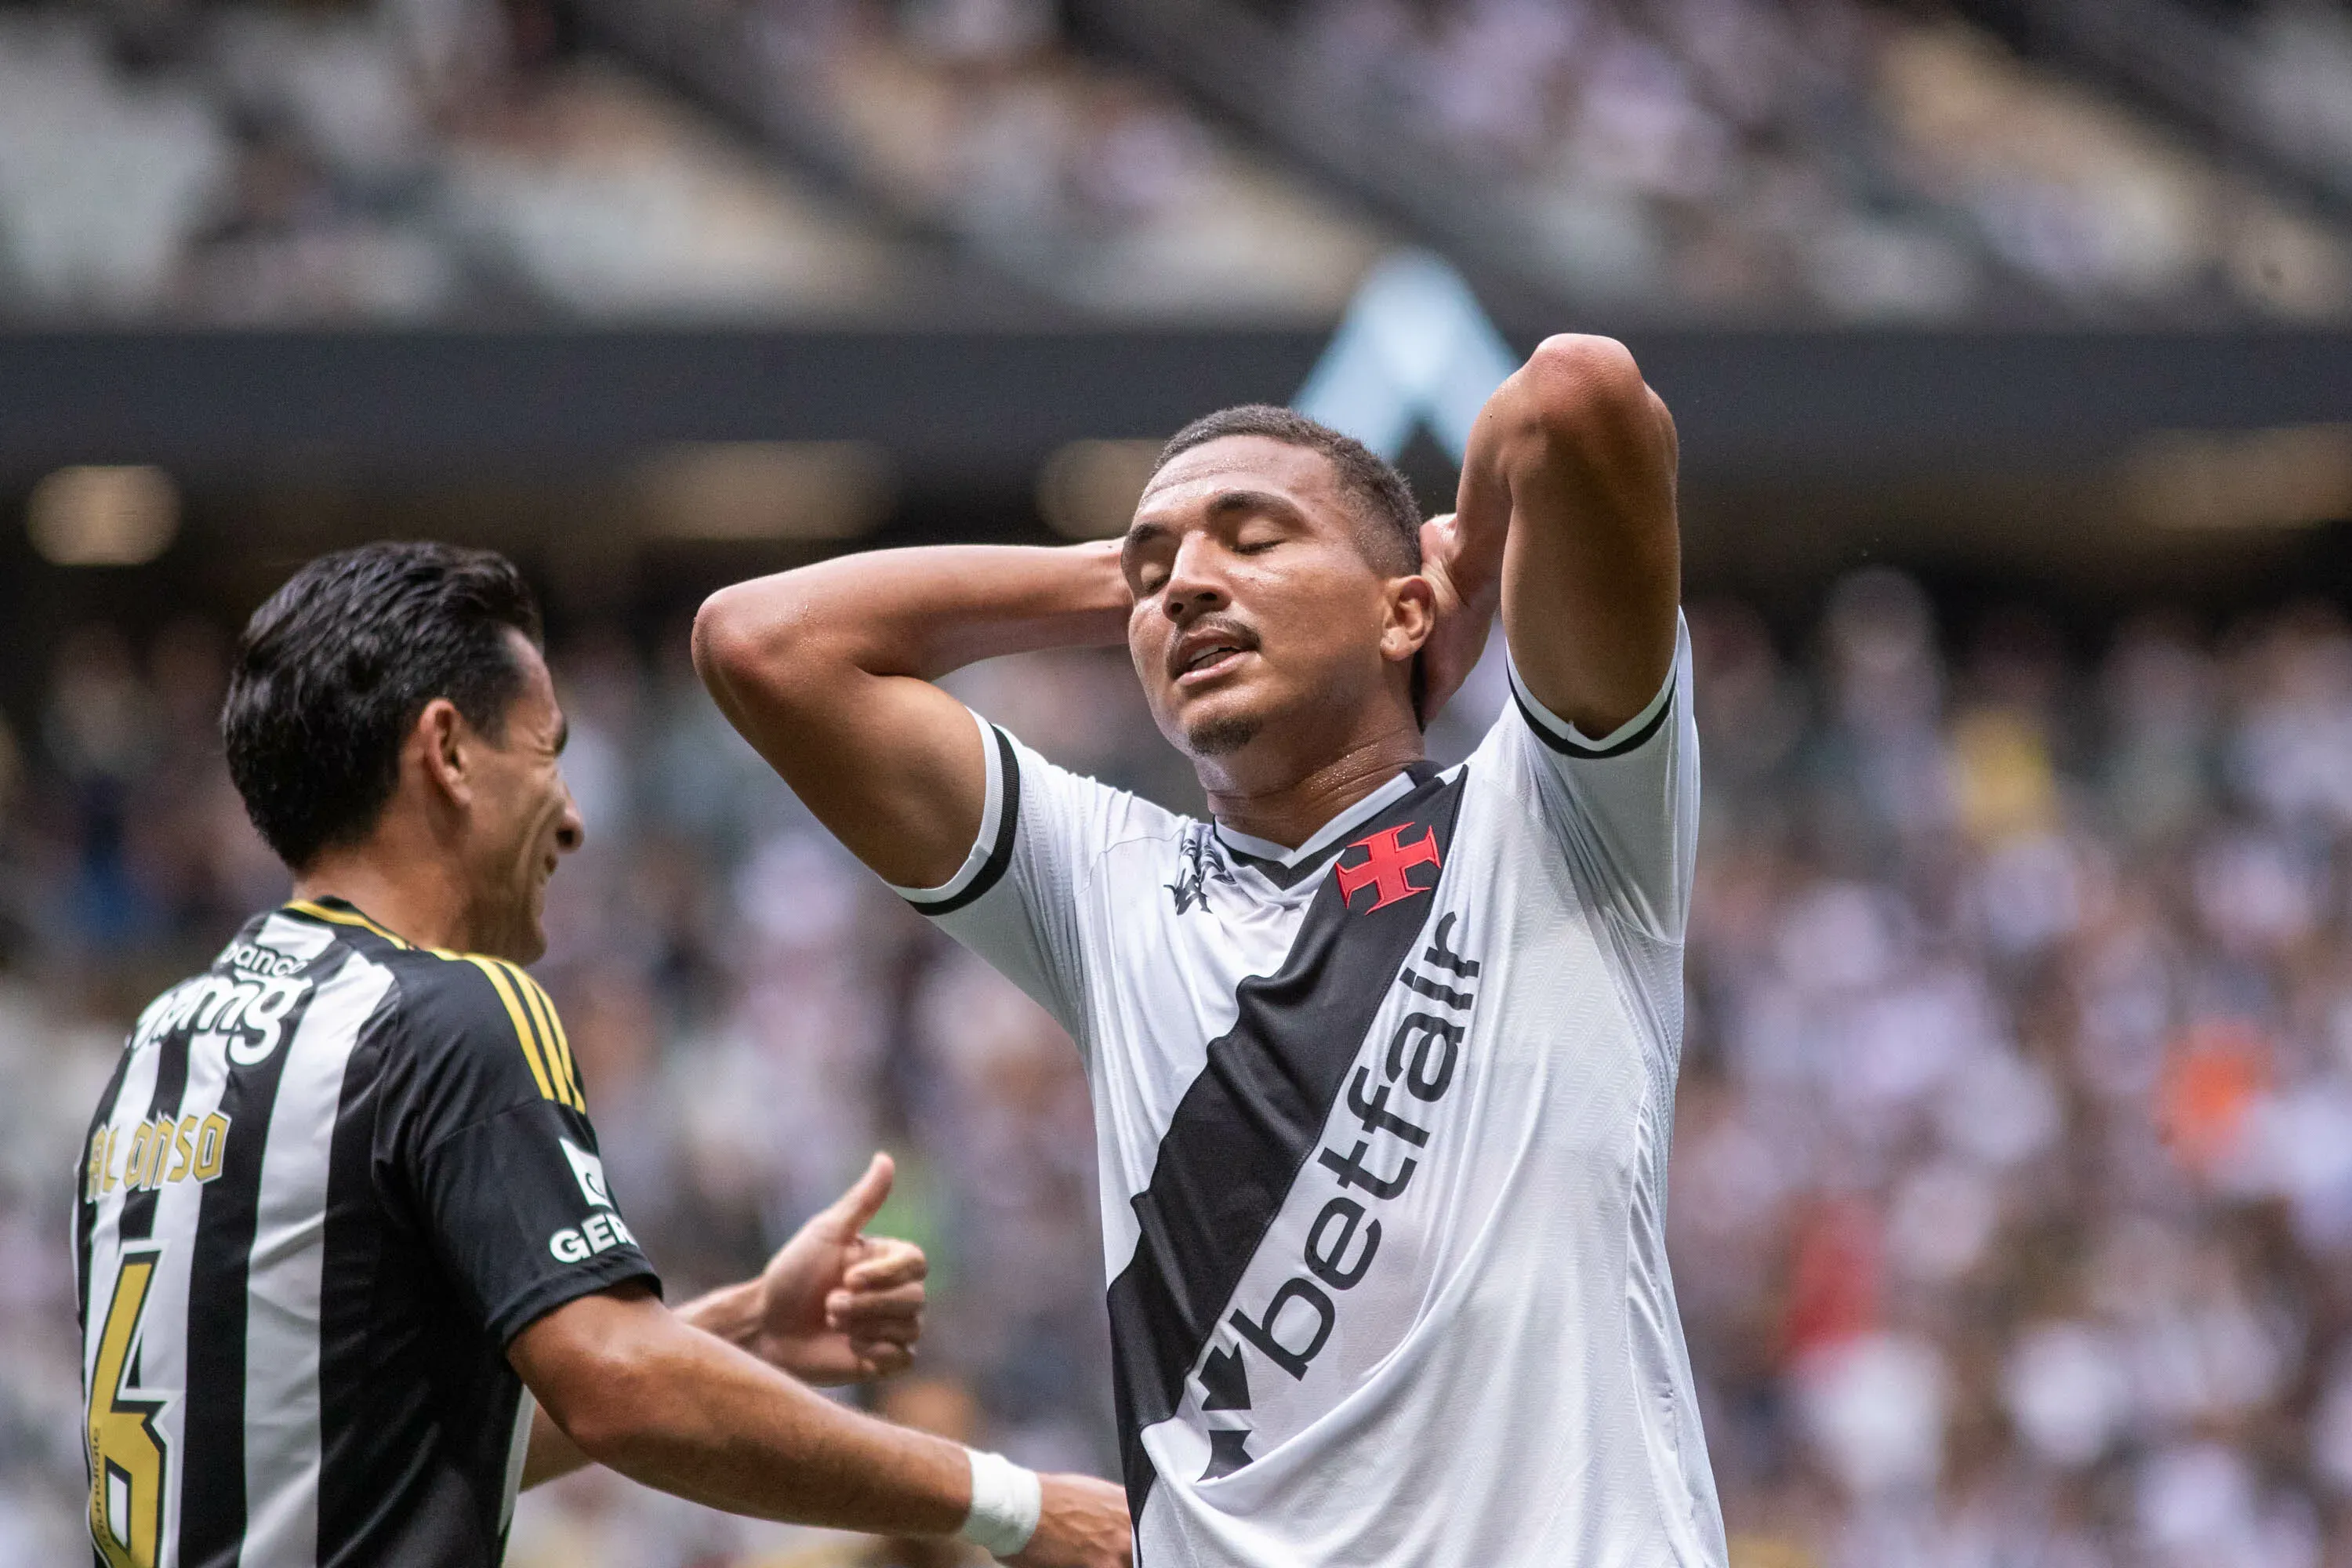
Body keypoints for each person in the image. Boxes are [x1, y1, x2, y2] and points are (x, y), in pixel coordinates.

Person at [694, 335, 1726, 1566]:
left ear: (1403, 610)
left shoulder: (1558, 822)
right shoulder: (1109, 890)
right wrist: (1116, 579)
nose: (1183, 584)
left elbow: (1579, 395)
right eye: (1155, 566)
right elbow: (762, 643)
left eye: (1254, 536)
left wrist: (1470, 556)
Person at [74, 543, 1131, 1568]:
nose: (573, 819)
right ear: (446, 752)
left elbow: (390, 1451)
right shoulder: (452, 1010)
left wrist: (748, 1325)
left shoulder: (166, 1042)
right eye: (546, 754)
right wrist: (1014, 1505)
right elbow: (622, 1386)